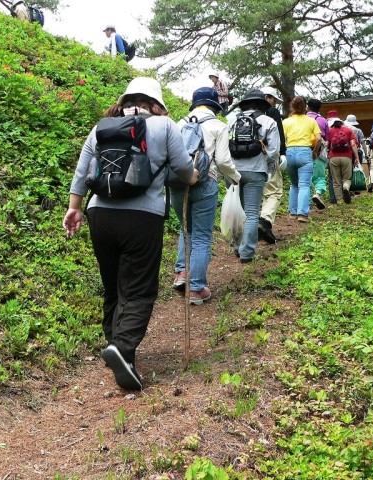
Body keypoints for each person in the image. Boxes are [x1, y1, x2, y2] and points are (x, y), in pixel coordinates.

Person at [63, 77, 198, 391]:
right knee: (138, 288)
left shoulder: (103, 126)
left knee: (114, 286)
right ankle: (122, 349)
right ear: (156, 102)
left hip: (100, 214)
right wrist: (195, 176)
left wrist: (74, 208)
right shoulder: (165, 127)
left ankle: (116, 344)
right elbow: (182, 168)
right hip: (142, 216)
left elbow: (82, 171)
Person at [170, 87, 240, 305]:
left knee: (186, 229)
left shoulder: (177, 124)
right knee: (201, 235)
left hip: (178, 183)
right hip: (205, 182)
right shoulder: (219, 126)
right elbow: (223, 161)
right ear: (213, 106)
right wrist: (236, 178)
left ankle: (182, 274)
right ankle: (197, 288)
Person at [227, 89, 279, 263]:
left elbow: (223, 147)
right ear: (262, 104)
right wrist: (267, 165)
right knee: (251, 213)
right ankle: (247, 252)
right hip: (255, 170)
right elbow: (273, 152)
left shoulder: (231, 119)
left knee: (237, 211)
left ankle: (236, 246)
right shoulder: (268, 121)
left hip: (233, 171)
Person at [282, 96, 322, 223]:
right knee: (304, 185)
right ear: (305, 107)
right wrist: (315, 152)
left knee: (294, 184)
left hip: (289, 152)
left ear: (292, 107)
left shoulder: (286, 122)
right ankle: (302, 214)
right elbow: (319, 138)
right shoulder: (311, 121)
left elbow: (282, 139)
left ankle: (293, 212)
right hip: (305, 152)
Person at [258, 86, 287, 244]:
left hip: (248, 158)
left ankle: (252, 227)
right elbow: (279, 135)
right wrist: (282, 153)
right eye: (274, 100)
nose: (274, 103)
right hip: (269, 155)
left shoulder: (247, 112)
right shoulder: (272, 112)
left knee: (258, 192)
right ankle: (265, 221)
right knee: (274, 191)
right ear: (269, 97)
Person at [327, 111, 359, 204]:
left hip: (333, 158)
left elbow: (327, 144)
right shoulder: (348, 130)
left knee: (336, 181)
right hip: (347, 157)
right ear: (342, 122)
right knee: (347, 179)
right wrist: (356, 158)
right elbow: (353, 144)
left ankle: (340, 201)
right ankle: (346, 187)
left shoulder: (330, 130)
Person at [306, 98, 329, 210]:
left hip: (303, 151)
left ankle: (305, 201)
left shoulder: (303, 119)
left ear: (307, 107)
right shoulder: (323, 120)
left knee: (305, 177)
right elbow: (326, 140)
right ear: (319, 108)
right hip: (318, 152)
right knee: (320, 177)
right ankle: (317, 193)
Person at [344, 114, 369, 179]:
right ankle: (357, 183)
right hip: (357, 152)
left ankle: (348, 184)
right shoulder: (358, 130)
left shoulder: (344, 130)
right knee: (358, 169)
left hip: (347, 152)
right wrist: (366, 154)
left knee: (348, 170)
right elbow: (363, 143)